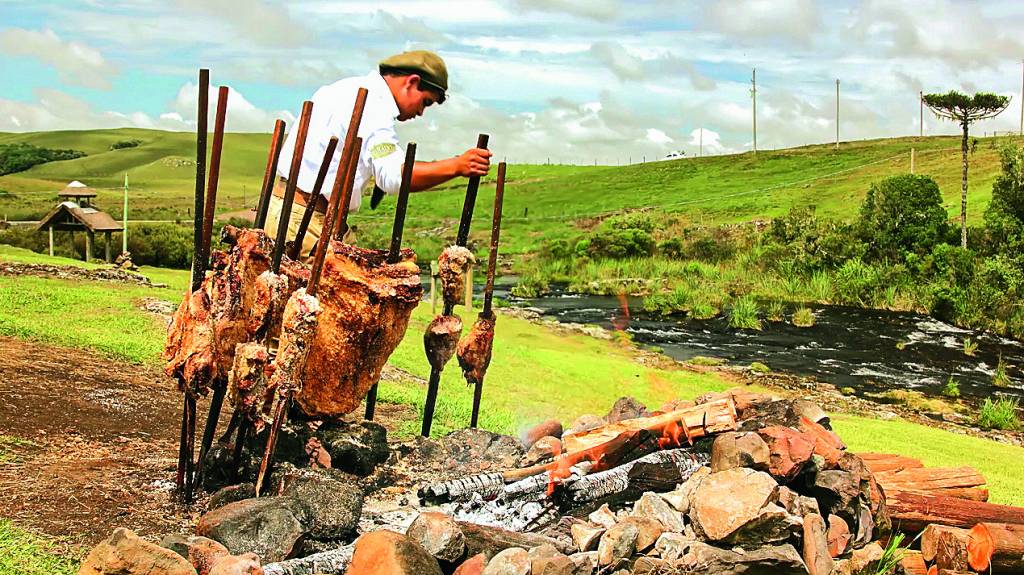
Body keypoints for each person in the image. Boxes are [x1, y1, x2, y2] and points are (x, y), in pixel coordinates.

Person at [265, 50, 492, 259]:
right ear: (412, 82)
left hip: (284, 209)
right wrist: (457, 166)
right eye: (425, 102)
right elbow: (394, 177)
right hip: (305, 222)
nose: (421, 112)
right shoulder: (373, 106)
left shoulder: (341, 88)